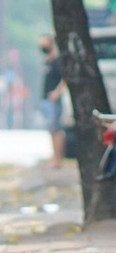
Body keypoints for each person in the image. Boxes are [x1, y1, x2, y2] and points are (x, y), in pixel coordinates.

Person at [39, 34, 66, 167]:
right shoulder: (47, 60)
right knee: (51, 129)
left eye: (43, 43)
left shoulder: (56, 61)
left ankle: (58, 160)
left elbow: (65, 78)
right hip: (45, 99)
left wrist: (57, 92)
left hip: (53, 100)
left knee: (56, 129)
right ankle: (54, 158)